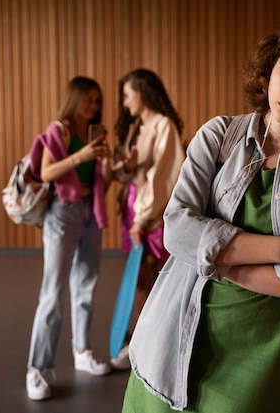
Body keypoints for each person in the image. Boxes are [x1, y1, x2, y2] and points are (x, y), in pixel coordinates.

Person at [121, 12, 280, 413]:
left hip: (261, 361)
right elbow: (177, 229)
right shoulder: (218, 136)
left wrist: (220, 263)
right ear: (271, 66)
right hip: (175, 340)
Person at [25, 76, 113, 401]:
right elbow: (46, 173)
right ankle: (36, 369)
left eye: (96, 101)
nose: (93, 106)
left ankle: (81, 351)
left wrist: (108, 162)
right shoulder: (58, 131)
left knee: (86, 285)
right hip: (62, 213)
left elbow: (105, 179)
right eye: (88, 100)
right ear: (74, 99)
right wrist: (82, 155)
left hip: (91, 211)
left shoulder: (97, 133)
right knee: (53, 292)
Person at [111, 68, 186, 369]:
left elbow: (161, 178)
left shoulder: (163, 125)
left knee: (147, 280)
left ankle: (145, 343)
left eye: (128, 95)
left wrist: (142, 220)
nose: (125, 103)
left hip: (150, 214)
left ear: (143, 92)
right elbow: (130, 174)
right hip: (135, 208)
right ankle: (146, 339)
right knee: (140, 279)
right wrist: (126, 165)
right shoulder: (139, 127)